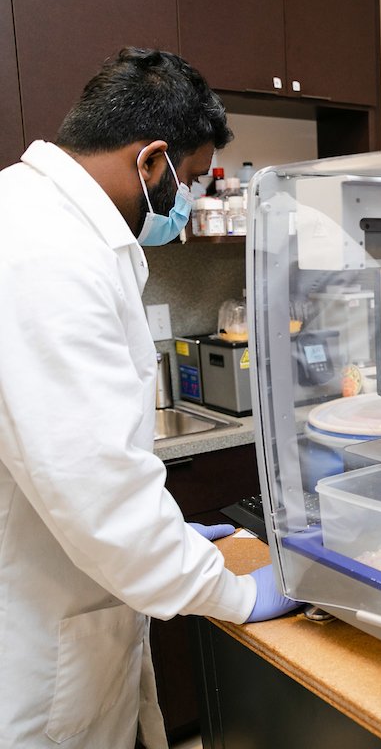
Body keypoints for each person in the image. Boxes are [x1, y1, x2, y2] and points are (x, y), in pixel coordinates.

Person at [0, 48, 298, 749]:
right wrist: (234, 594)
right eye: (190, 179)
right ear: (151, 160)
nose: (185, 201)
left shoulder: (35, 217)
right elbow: (94, 482)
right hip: (32, 654)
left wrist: (169, 539)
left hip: (53, 580)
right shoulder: (47, 253)